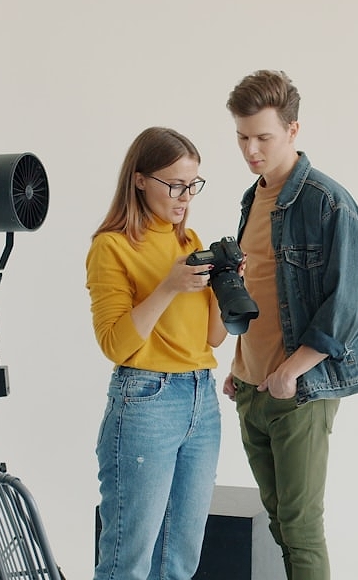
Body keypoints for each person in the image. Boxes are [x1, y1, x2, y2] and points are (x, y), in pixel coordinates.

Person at [222, 70, 358, 580]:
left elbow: (352, 302)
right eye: (242, 137)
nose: (251, 150)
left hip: (299, 389)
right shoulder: (252, 199)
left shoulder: (327, 202)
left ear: (293, 131)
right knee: (278, 524)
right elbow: (259, 291)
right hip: (251, 386)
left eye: (263, 137)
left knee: (301, 527)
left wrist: (293, 369)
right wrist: (238, 364)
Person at [86, 126, 226, 580]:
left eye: (193, 184)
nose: (185, 197)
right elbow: (115, 343)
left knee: (179, 561)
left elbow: (213, 338)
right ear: (140, 180)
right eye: (176, 184)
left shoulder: (190, 242)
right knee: (128, 559)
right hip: (145, 401)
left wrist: (227, 284)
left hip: (201, 401)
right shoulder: (111, 246)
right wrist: (168, 286)